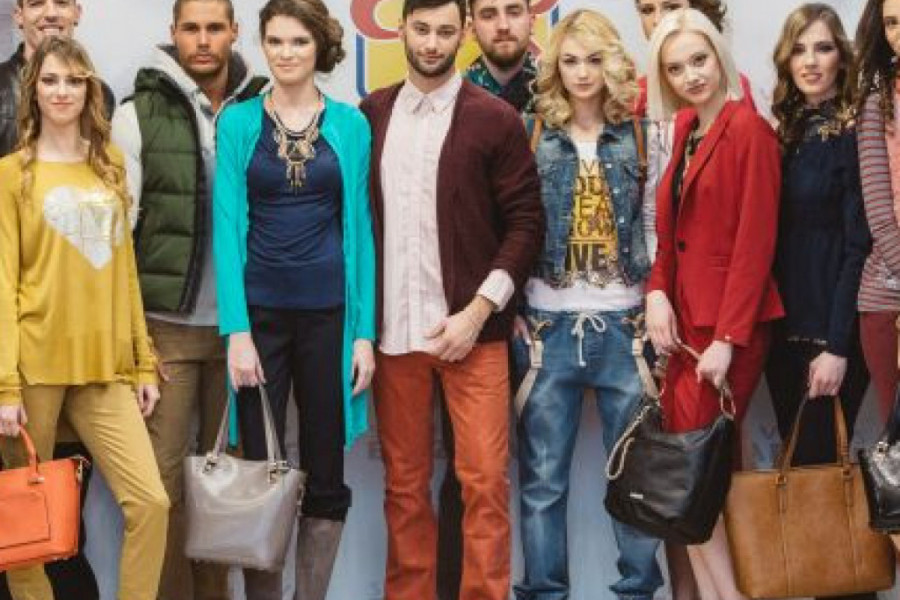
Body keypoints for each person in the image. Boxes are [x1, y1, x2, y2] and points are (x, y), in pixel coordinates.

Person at [360, 0, 543, 597]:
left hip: (473, 335)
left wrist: (480, 310)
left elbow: (526, 223)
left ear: (464, 32)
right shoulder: (372, 114)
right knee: (404, 489)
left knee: (485, 485)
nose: (432, 43)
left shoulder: (495, 118)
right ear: (401, 30)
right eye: (421, 30)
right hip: (395, 337)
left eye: (444, 31)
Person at [214, 0, 376, 598]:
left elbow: (360, 229)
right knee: (261, 471)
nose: (285, 53)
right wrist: (236, 330)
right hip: (259, 320)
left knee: (325, 469)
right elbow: (226, 227)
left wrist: (364, 334)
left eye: (299, 42)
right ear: (262, 45)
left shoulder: (351, 125)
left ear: (319, 48)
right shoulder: (237, 124)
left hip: (330, 318)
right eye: (276, 41)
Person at [0, 36, 169, 600]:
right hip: (34, 368)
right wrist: (5, 385)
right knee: (27, 523)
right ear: (33, 90)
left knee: (150, 502)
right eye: (50, 80)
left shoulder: (110, 164)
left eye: (74, 80)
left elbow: (125, 273)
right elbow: (3, 283)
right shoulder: (11, 174)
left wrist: (142, 362)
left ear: (89, 89)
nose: (62, 91)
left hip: (104, 368)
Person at [110, 1, 266, 598]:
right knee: (163, 487)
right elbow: (119, 238)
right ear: (173, 33)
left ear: (234, 33)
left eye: (214, 28)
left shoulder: (265, 108)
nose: (203, 40)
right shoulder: (137, 113)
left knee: (228, 487)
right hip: (165, 330)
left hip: (242, 332)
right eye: (191, 29)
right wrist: (133, 338)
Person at [511, 9, 663, 600]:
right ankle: (544, 592)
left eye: (594, 60)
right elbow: (513, 223)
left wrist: (657, 300)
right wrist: (512, 306)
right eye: (570, 61)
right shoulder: (530, 132)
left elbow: (654, 225)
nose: (581, 73)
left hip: (627, 326)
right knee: (543, 482)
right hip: (547, 327)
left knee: (636, 480)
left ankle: (637, 591)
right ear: (554, 67)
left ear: (612, 64)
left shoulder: (641, 134)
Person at [644, 8, 782, 600]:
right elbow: (671, 233)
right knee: (689, 484)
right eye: (676, 69)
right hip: (683, 331)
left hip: (728, 330)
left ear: (719, 55)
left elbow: (756, 243)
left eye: (699, 60)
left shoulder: (749, 129)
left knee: (694, 480)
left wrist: (727, 338)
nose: (691, 76)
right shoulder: (684, 128)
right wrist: (656, 292)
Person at [0, 4, 113, 596]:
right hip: (13, 329)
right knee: (16, 511)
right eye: (36, 0)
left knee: (54, 508)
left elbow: (107, 246)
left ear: (77, 12)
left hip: (65, 341)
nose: (50, 11)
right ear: (17, 13)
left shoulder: (101, 102)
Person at [767, 0, 871, 501]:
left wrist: (837, 346)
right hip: (781, 333)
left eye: (823, 48)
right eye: (799, 50)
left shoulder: (854, 135)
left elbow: (859, 245)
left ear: (842, 59)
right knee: (801, 483)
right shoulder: (784, 134)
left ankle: (849, 567)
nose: (810, 61)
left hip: (830, 331)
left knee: (822, 480)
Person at [856, 0, 900, 421]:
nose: (898, 33)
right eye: (891, 23)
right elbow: (880, 212)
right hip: (889, 297)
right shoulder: (878, 103)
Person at [0, 0, 114, 157]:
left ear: (77, 13)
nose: (51, 14)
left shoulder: (101, 94)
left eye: (61, 3)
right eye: (37, 4)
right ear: (19, 15)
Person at [465, 0, 536, 115]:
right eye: (488, 16)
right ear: (472, 29)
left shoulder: (559, 90)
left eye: (514, 13)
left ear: (531, 22)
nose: (503, 26)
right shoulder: (454, 100)